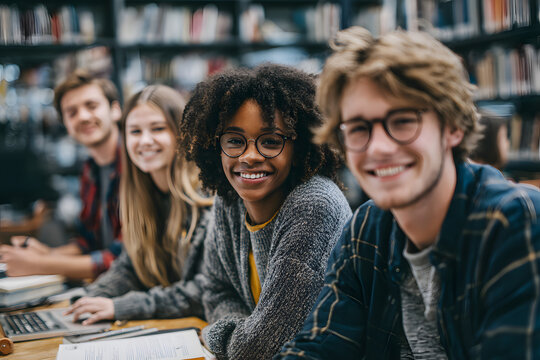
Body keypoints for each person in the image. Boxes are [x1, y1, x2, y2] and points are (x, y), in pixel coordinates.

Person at [277, 27, 540, 359]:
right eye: (359, 128)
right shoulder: (365, 228)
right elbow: (317, 347)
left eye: (402, 121)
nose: (379, 147)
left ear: (453, 127)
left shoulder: (516, 222)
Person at [179, 64, 352, 359]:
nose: (249, 156)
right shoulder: (229, 199)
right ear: (215, 146)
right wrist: (240, 331)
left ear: (299, 146)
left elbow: (259, 348)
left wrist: (214, 333)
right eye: (234, 141)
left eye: (270, 141)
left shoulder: (315, 205)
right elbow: (216, 291)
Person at [65, 85, 213, 324]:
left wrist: (122, 306)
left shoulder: (207, 197)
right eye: (134, 131)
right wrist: (89, 299)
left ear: (182, 134)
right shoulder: (141, 198)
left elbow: (205, 289)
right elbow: (130, 267)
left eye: (158, 128)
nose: (145, 141)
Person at [0, 69, 123, 279]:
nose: (83, 116)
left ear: (115, 110)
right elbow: (89, 242)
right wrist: (48, 253)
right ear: (65, 122)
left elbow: (123, 260)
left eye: (91, 106)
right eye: (72, 112)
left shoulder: (137, 166)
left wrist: (42, 263)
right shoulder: (90, 169)